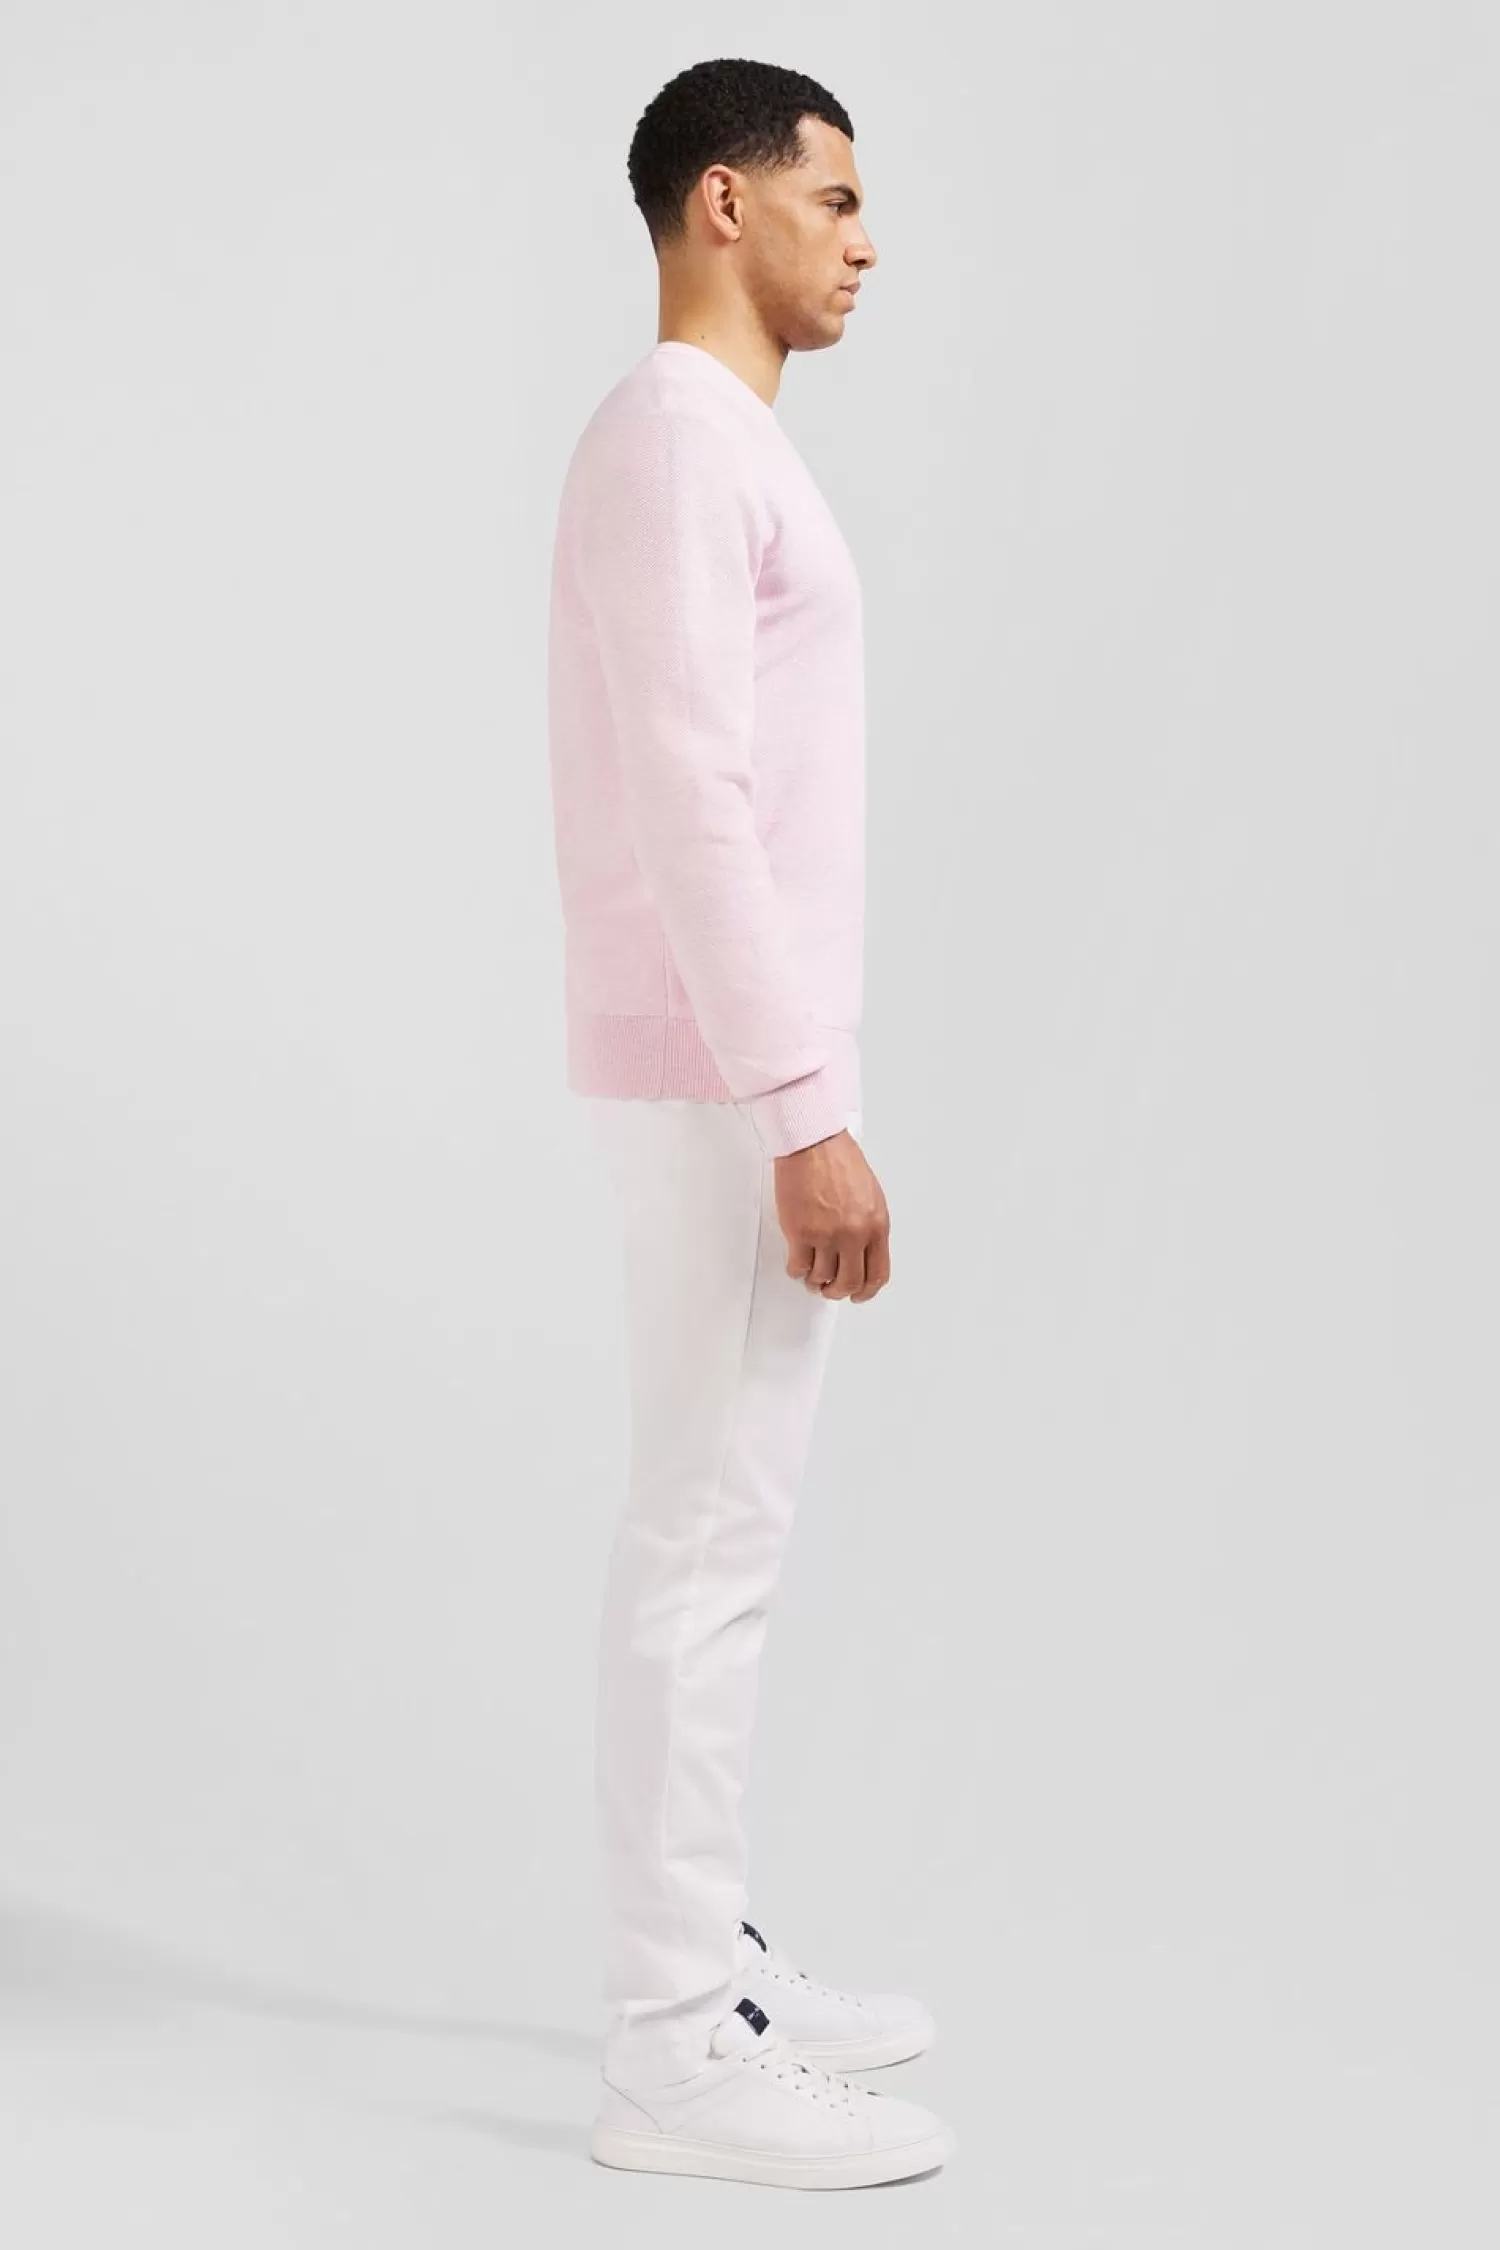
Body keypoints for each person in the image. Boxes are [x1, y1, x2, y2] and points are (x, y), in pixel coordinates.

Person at [546, 56, 953, 2191]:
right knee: (703, 1551)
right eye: (837, 198)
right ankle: (669, 2051)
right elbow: (692, 792)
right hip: (728, 1075)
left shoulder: (714, 444)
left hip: (738, 1060)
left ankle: (706, 1971)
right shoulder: (681, 439)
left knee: (719, 1540)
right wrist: (806, 1111)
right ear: (725, 203)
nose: (868, 240)